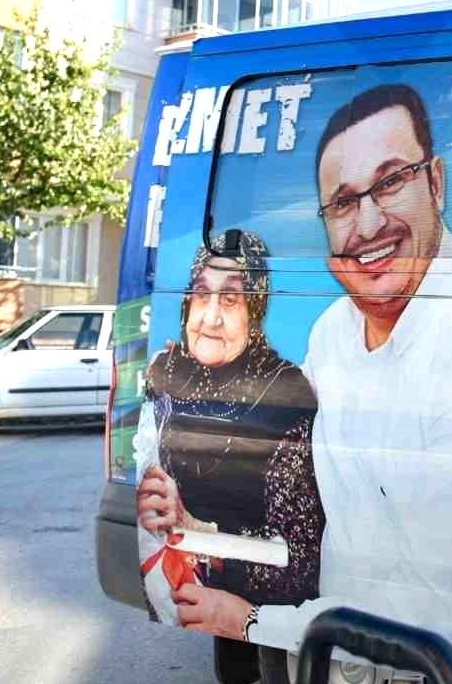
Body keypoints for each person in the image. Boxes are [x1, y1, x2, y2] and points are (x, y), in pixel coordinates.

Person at [167, 82, 452, 684]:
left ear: (436, 183)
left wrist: (252, 621)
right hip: (356, 666)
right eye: (344, 202)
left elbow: (450, 636)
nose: (369, 221)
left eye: (389, 182)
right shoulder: (332, 332)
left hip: (423, 682)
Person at [134, 231, 323, 618]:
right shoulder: (167, 371)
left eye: (231, 298)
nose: (211, 316)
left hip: (244, 607)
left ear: (255, 310)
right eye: (202, 294)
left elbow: (302, 563)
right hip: (175, 592)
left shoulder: (285, 394)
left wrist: (193, 528)